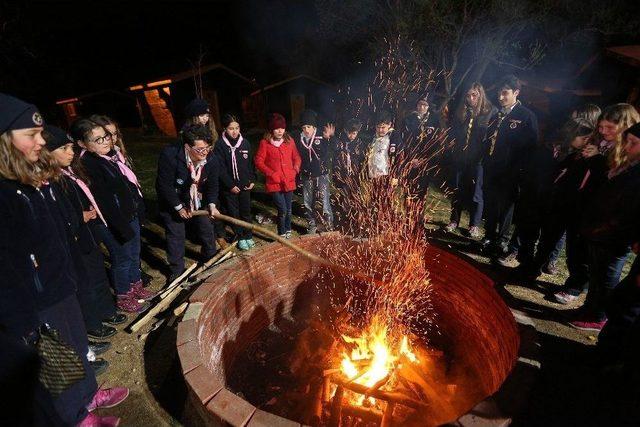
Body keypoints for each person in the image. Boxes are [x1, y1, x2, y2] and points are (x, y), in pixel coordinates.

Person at [0, 93, 128, 427]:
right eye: (31, 135)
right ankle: (74, 416)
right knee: (57, 359)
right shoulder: (5, 194)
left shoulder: (34, 181)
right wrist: (22, 317)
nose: (41, 141)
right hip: (37, 298)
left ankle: (88, 395)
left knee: (77, 344)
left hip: (62, 283)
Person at [43, 125, 127, 364]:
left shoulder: (70, 173)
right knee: (85, 285)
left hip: (88, 237)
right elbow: (61, 215)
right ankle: (92, 324)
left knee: (98, 276)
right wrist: (81, 217)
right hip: (74, 241)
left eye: (71, 147)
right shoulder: (54, 181)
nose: (70, 152)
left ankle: (105, 312)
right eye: (64, 148)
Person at [71, 118, 153, 313]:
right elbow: (105, 201)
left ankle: (136, 285)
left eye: (106, 136)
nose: (106, 141)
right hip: (112, 222)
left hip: (127, 216)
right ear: (82, 143)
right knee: (122, 257)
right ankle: (123, 294)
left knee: (133, 253)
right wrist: (121, 225)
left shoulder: (108, 158)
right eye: (98, 139)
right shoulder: (89, 164)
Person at [569, 122, 640, 332]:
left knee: (606, 277)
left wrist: (608, 228)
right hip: (602, 231)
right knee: (597, 275)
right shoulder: (630, 164)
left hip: (616, 236)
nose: (627, 147)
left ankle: (598, 316)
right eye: (627, 141)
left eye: (634, 143)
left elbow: (630, 209)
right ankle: (588, 309)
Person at [481, 75, 539, 262]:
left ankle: (502, 240)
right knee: (490, 202)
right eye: (499, 92)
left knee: (506, 207)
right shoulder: (496, 115)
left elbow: (531, 147)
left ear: (516, 93)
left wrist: (522, 172)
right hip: (491, 168)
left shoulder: (526, 116)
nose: (500, 97)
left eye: (505, 93)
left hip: (511, 172)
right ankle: (488, 236)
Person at [156, 124, 220, 282]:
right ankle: (177, 271)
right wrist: (178, 207)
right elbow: (164, 185)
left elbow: (213, 184)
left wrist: (211, 204)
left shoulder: (211, 158)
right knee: (176, 235)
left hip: (198, 199)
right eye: (200, 149)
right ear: (187, 146)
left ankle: (210, 261)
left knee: (207, 230)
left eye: (208, 147)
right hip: (173, 201)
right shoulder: (170, 156)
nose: (205, 152)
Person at [445, 83, 496, 238]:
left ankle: (474, 225)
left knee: (476, 193)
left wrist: (483, 157)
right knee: (457, 189)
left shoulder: (489, 112)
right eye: (468, 95)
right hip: (461, 158)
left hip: (478, 160)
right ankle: (454, 220)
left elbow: (490, 138)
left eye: (474, 95)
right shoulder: (463, 112)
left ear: (481, 95)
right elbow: (453, 133)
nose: (470, 98)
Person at [254, 113, 301, 238]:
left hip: (289, 180)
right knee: (282, 210)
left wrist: (295, 170)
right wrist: (271, 173)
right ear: (271, 129)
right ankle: (281, 232)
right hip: (274, 183)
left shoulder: (289, 141)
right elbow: (258, 161)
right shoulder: (265, 143)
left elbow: (296, 157)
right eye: (277, 128)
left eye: (282, 128)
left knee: (289, 209)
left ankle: (288, 229)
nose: (280, 131)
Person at [214, 113, 255, 251]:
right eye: (231, 128)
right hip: (229, 188)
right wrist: (230, 185)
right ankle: (240, 236)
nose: (235, 131)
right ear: (224, 129)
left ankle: (248, 235)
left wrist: (252, 179)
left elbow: (250, 164)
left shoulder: (245, 143)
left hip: (244, 186)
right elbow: (220, 169)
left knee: (246, 212)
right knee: (234, 213)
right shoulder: (220, 145)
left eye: (237, 128)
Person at [295, 109, 334, 233]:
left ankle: (328, 223)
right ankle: (311, 222)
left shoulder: (322, 136)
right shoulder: (299, 139)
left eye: (309, 126)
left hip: (322, 174)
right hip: (307, 174)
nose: (306, 130)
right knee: (307, 200)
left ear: (314, 126)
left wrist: (329, 139)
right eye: (304, 127)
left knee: (324, 199)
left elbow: (331, 151)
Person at [367, 110, 403, 181]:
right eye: (378, 127)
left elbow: (399, 156)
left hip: (387, 173)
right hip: (373, 172)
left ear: (389, 124)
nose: (380, 130)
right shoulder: (371, 136)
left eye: (383, 127)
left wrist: (396, 174)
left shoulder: (394, 136)